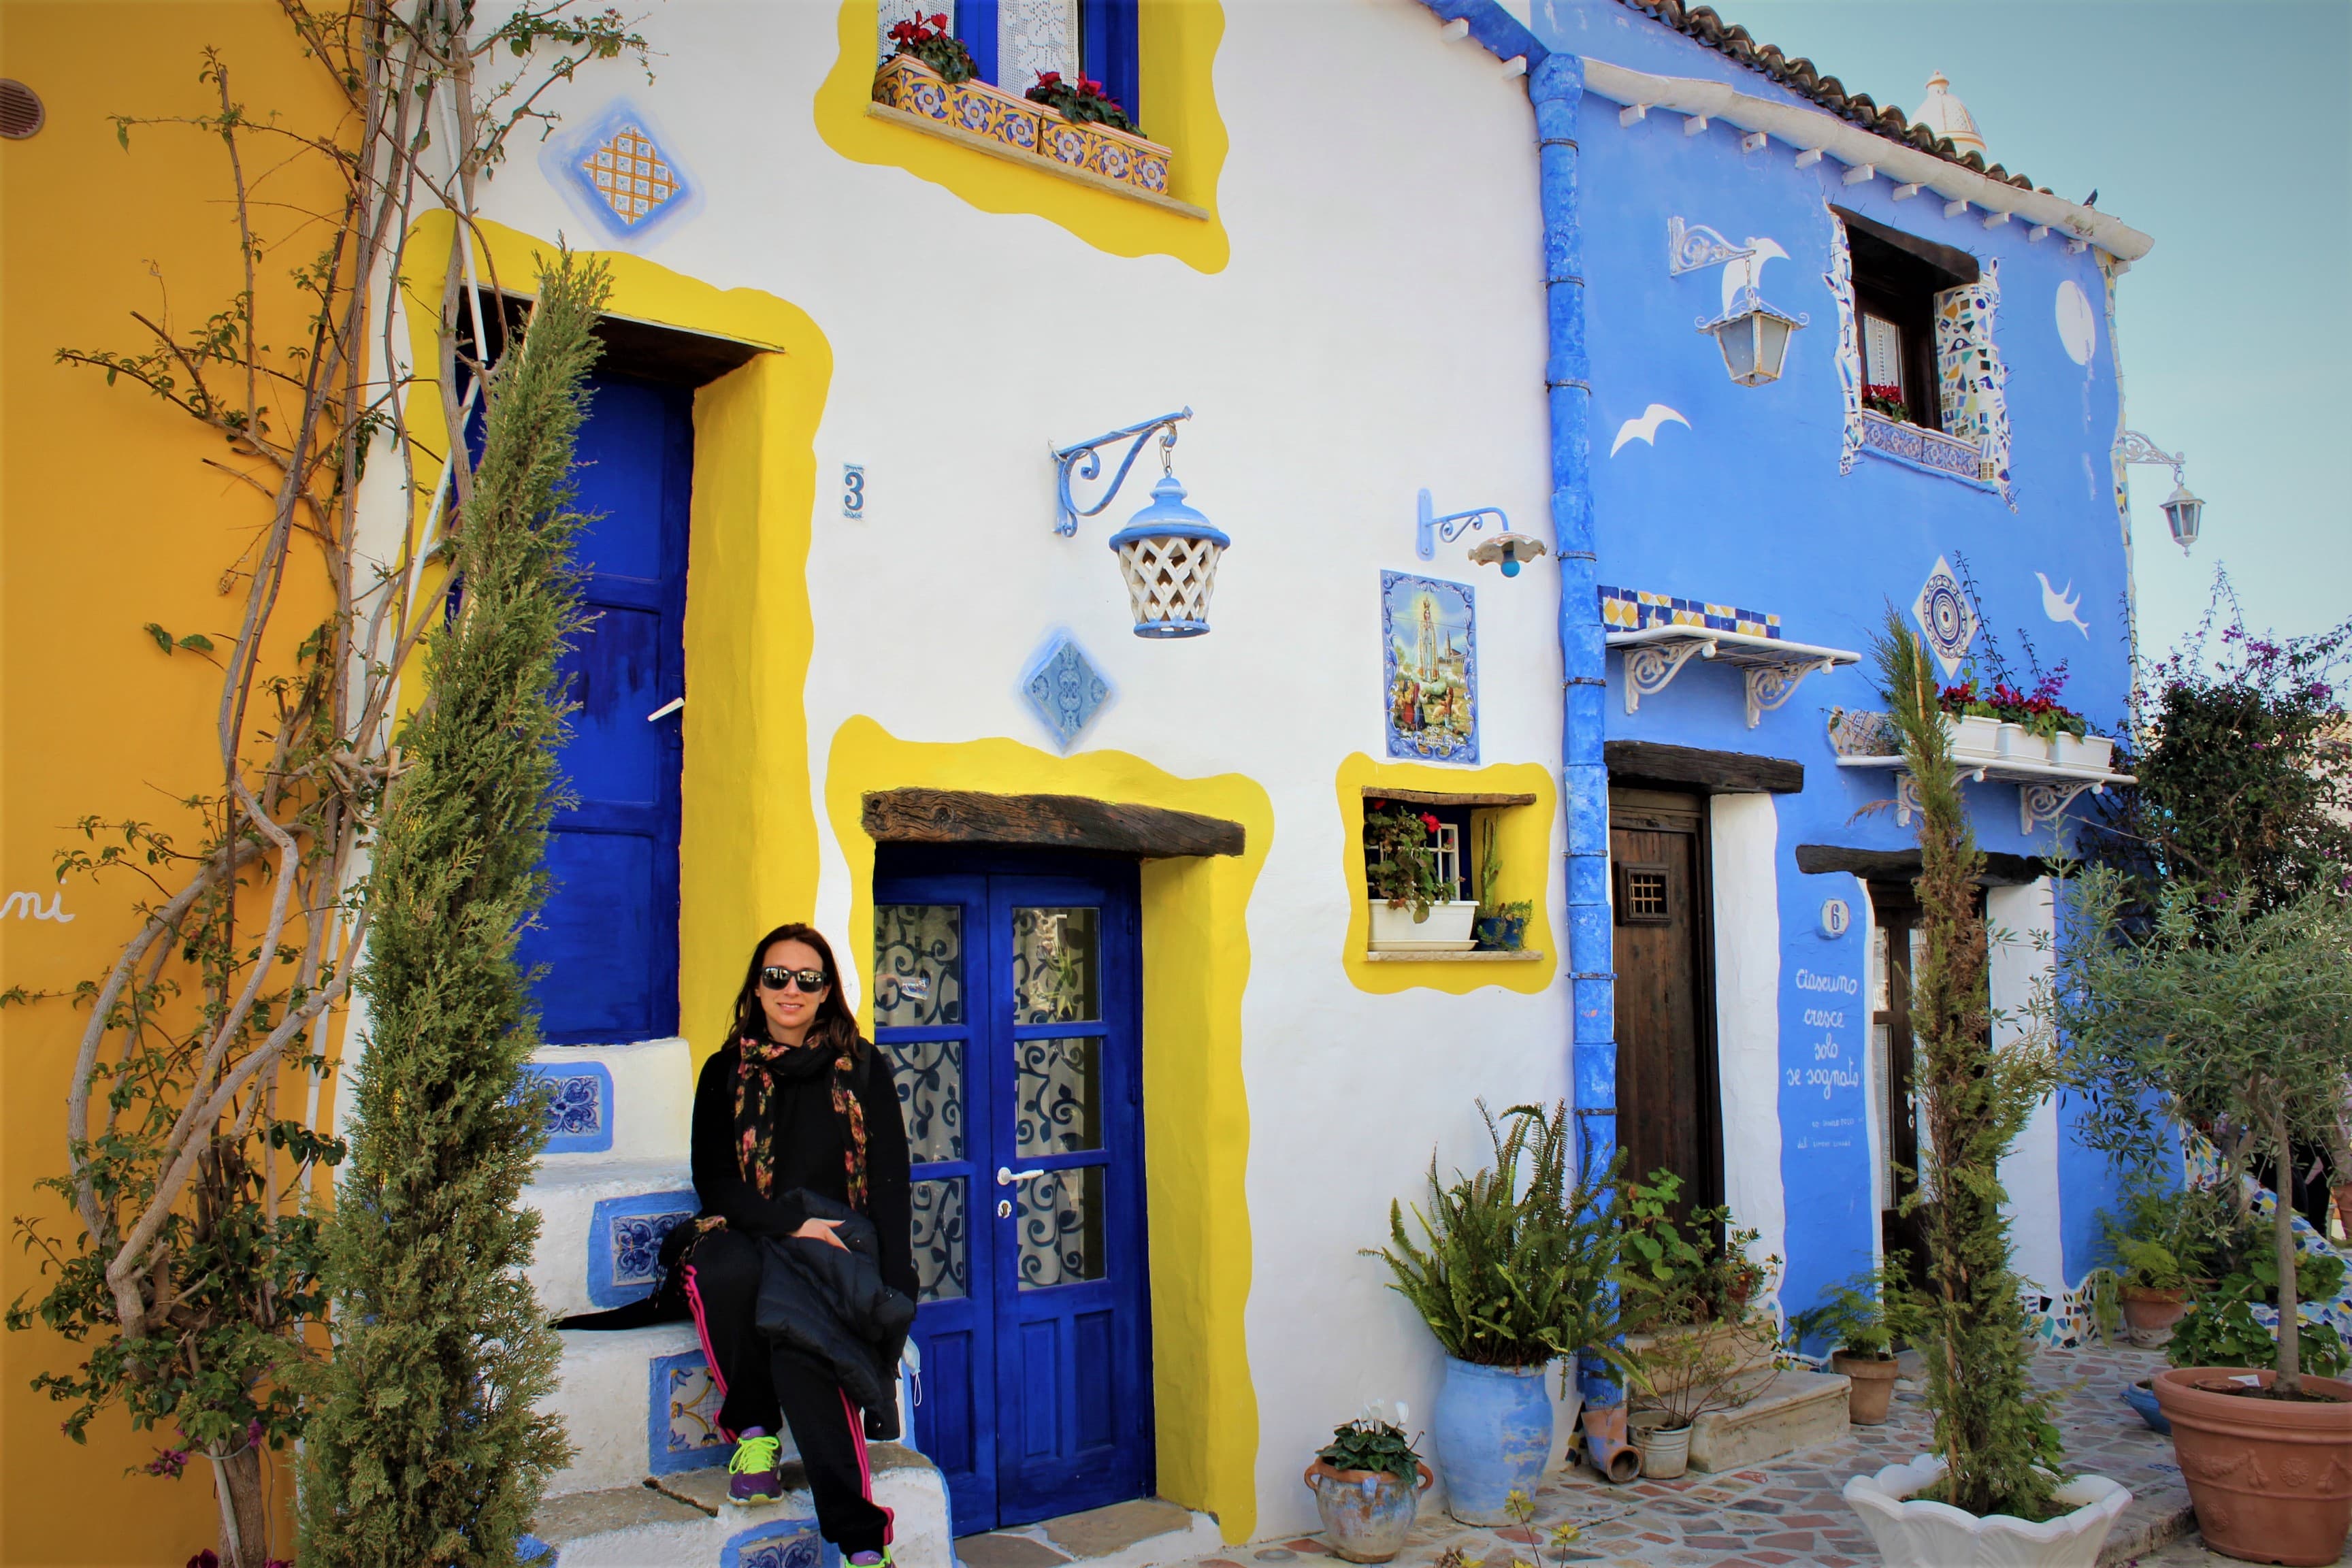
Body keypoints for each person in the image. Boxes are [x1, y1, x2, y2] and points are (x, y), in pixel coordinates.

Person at [681, 921, 915, 1560]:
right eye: (776, 976)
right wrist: (788, 1224)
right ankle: (754, 1427)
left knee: (803, 1348)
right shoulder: (724, 1071)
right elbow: (716, 1182)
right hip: (754, 1232)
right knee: (728, 1272)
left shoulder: (864, 1069)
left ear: (826, 990)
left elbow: (891, 1181)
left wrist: (898, 1282)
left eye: (807, 979)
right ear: (756, 989)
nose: (791, 989)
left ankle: (863, 1542)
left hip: (836, 1244)